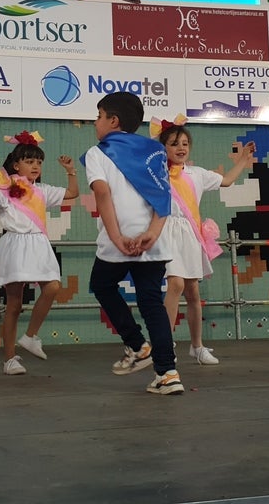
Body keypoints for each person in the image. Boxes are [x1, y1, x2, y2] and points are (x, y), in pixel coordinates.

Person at [85, 92, 182, 395]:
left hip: (120, 239)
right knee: (152, 303)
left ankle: (138, 345)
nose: (96, 122)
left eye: (99, 116)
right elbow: (163, 195)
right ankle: (168, 374)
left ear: (113, 121)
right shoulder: (154, 151)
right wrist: (153, 233)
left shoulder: (97, 153)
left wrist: (117, 238)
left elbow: (102, 194)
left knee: (102, 285)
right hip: (152, 240)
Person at [152, 116, 255, 366]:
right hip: (165, 231)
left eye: (185, 143)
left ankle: (197, 346)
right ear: (163, 147)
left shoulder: (197, 174)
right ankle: (164, 345)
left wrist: (242, 160)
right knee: (174, 284)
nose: (181, 148)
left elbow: (227, 181)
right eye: (174, 143)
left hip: (189, 235)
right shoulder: (155, 174)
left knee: (193, 292)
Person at [0, 131, 78, 375]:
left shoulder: (43, 190)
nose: (35, 166)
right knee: (13, 304)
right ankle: (10, 359)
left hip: (39, 245)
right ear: (16, 164)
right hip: (15, 245)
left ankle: (30, 336)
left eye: (38, 162)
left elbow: (72, 193)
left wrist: (70, 171)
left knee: (53, 287)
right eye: (29, 161)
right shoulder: (6, 189)